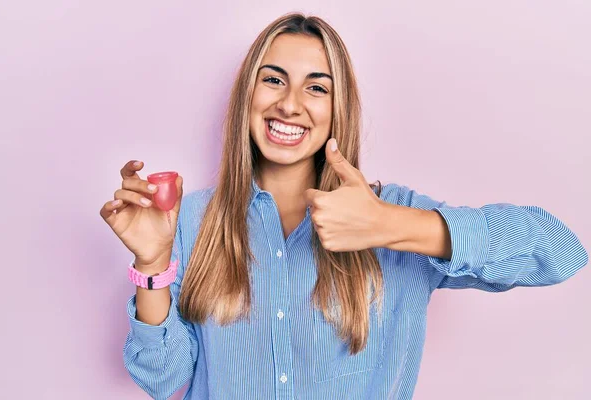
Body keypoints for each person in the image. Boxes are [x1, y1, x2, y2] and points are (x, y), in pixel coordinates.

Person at [99, 13, 589, 400]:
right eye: (273, 80)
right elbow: (162, 381)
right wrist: (152, 264)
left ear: (339, 108)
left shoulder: (394, 214)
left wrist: (388, 225)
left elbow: (559, 252)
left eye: (316, 87)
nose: (290, 104)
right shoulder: (190, 219)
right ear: (247, 94)